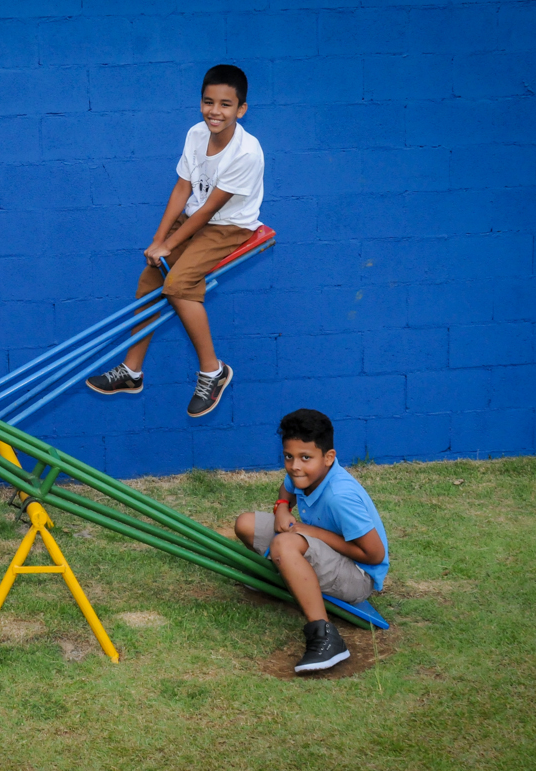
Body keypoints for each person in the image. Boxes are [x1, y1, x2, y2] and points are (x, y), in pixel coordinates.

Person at [86, 64, 265, 417]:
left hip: (228, 225)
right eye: (208, 102)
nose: (215, 111)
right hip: (196, 220)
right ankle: (132, 371)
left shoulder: (247, 153)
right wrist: (158, 239)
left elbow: (210, 210)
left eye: (226, 105)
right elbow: (183, 187)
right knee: (151, 279)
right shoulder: (196, 134)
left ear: (241, 109)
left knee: (179, 285)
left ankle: (213, 371)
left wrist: (170, 244)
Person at [226, 409, 389, 673]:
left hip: (357, 577)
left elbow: (374, 555)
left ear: (328, 457)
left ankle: (326, 637)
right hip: (323, 551)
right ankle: (289, 577)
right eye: (288, 457)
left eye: (305, 457)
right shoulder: (304, 475)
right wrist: (281, 508)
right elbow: (287, 487)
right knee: (246, 523)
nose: (294, 466)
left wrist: (312, 532)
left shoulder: (340, 496)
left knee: (284, 544)